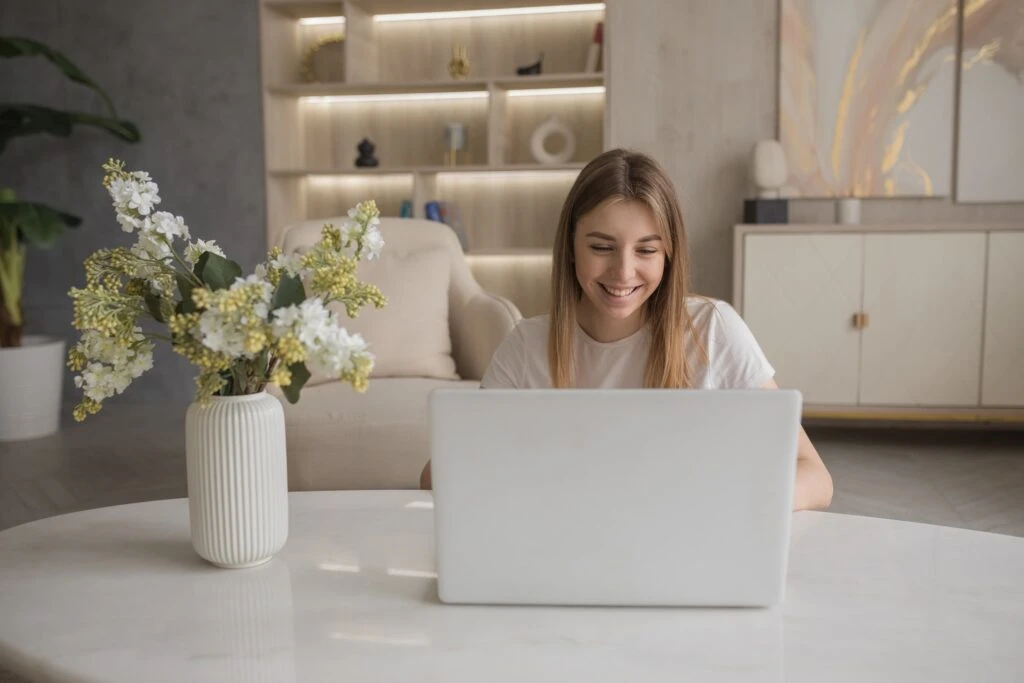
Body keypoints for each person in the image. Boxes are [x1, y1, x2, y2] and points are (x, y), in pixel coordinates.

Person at [420, 148, 833, 512]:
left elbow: (813, 475)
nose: (623, 272)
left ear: (669, 254)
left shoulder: (712, 330)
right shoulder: (527, 346)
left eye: (647, 250)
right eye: (601, 247)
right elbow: (435, 475)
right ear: (571, 247)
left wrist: (738, 501)